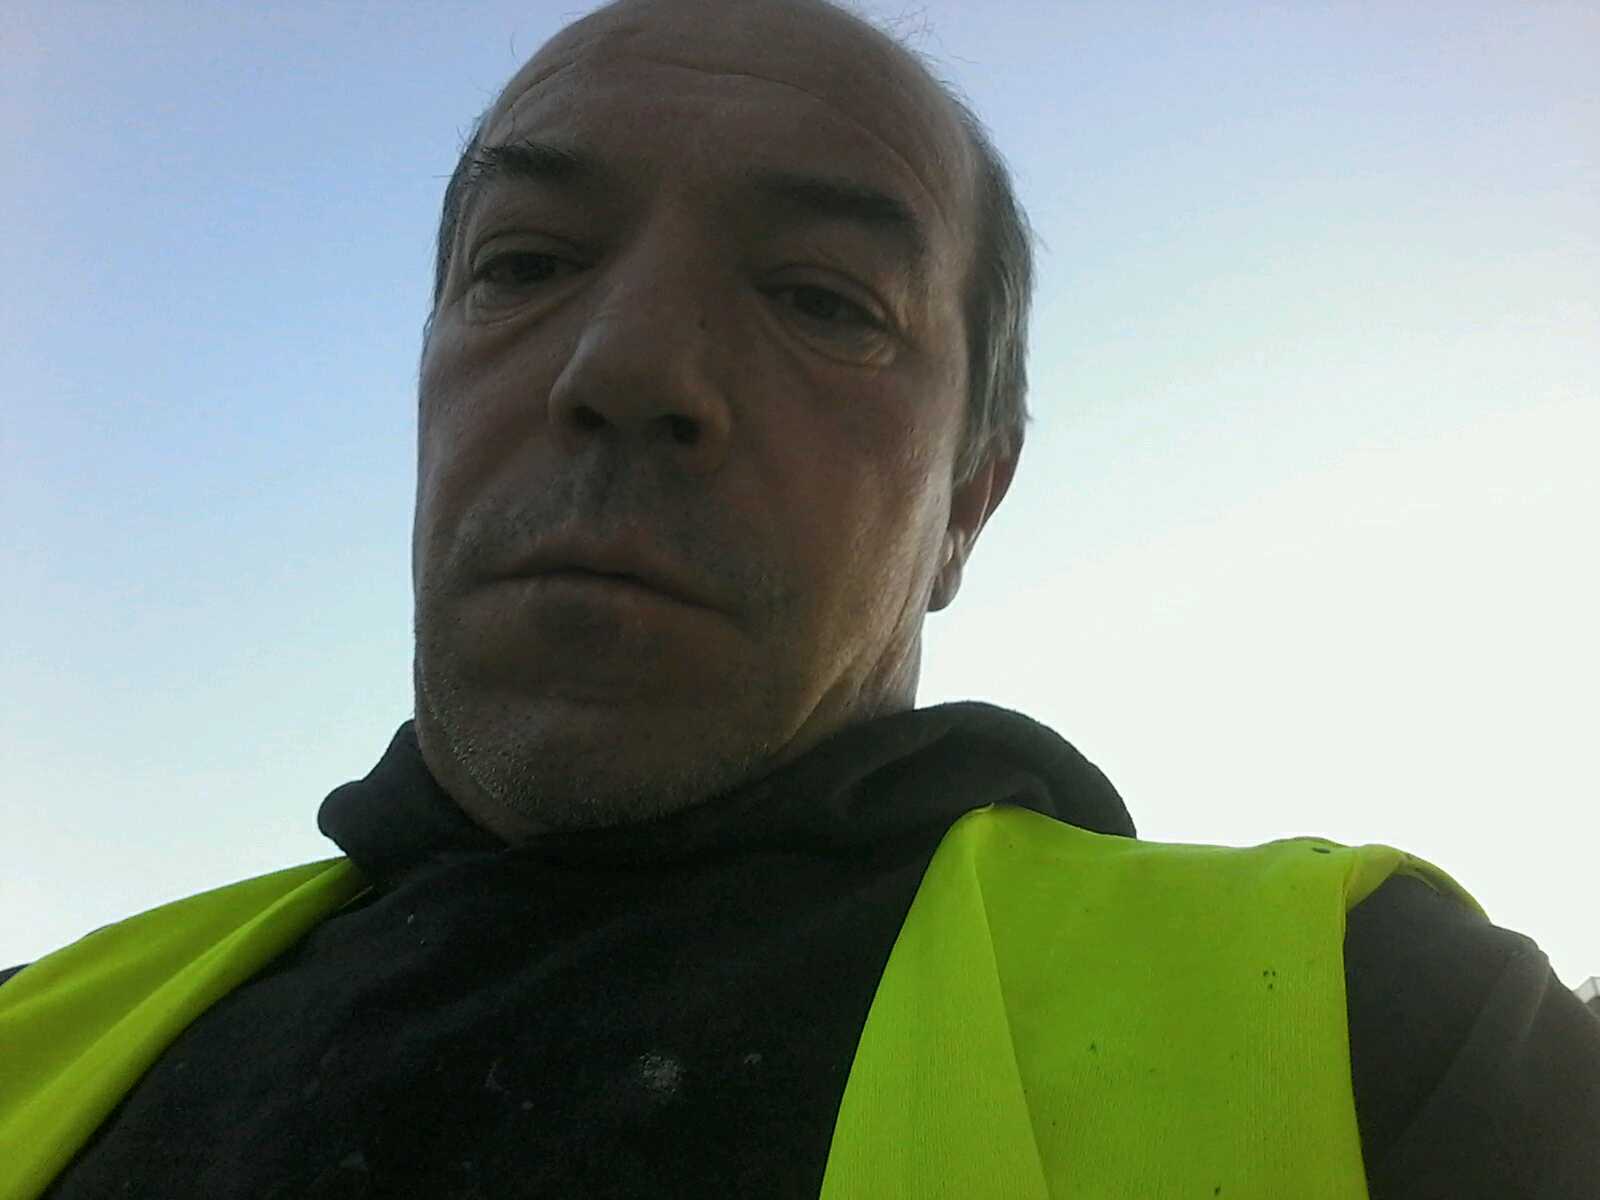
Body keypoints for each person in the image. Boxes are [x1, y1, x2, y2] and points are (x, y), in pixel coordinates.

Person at [2, 0, 1596, 1195]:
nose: (627, 365)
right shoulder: (34, 1030)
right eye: (525, 262)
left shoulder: (1383, 1027)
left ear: (968, 501)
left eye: (825, 299)